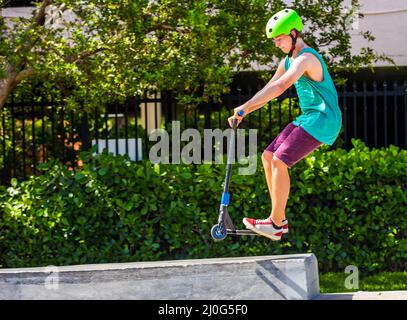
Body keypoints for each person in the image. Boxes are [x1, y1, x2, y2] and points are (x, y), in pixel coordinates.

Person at [228, 8, 342, 241]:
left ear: (293, 33)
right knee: (268, 157)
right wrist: (245, 110)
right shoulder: (288, 60)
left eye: (279, 39)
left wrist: (245, 108)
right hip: (309, 117)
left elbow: (282, 87)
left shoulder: (306, 58)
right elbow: (270, 87)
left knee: (281, 160)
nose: (276, 44)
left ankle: (275, 222)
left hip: (324, 119)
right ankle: (278, 221)